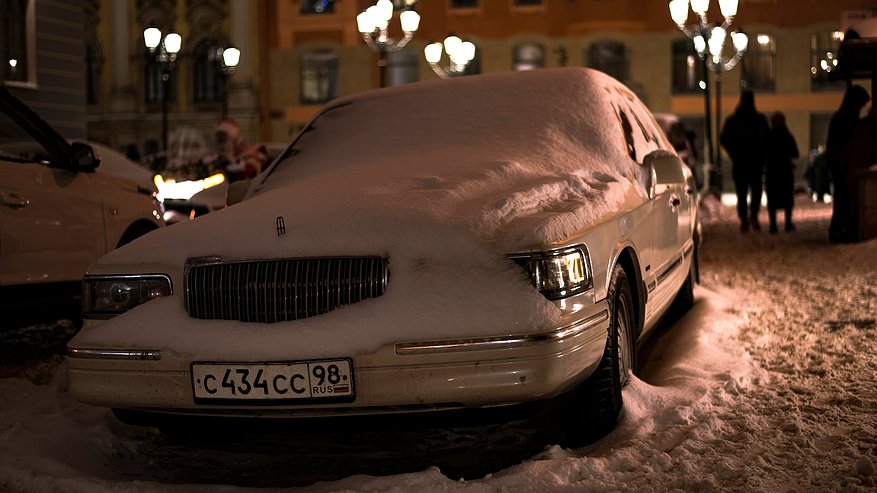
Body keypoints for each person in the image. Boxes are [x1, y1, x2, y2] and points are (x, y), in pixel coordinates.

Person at [720, 89, 771, 232]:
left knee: (742, 192)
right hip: (754, 162)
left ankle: (745, 218)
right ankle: (752, 216)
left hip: (741, 162)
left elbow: (724, 138)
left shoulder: (733, 120)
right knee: (755, 190)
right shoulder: (759, 120)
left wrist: (733, 152)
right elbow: (767, 139)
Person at [825, 84, 870, 243]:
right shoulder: (847, 120)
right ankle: (842, 230)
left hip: (840, 163)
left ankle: (839, 230)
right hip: (844, 163)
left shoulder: (840, 118)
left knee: (842, 198)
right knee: (845, 198)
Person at [765, 112, 799, 233]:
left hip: (772, 171)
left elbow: (763, 152)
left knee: (772, 198)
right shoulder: (787, 135)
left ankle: (773, 225)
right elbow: (795, 152)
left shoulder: (768, 135)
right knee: (787, 198)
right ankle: (788, 223)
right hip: (785, 171)